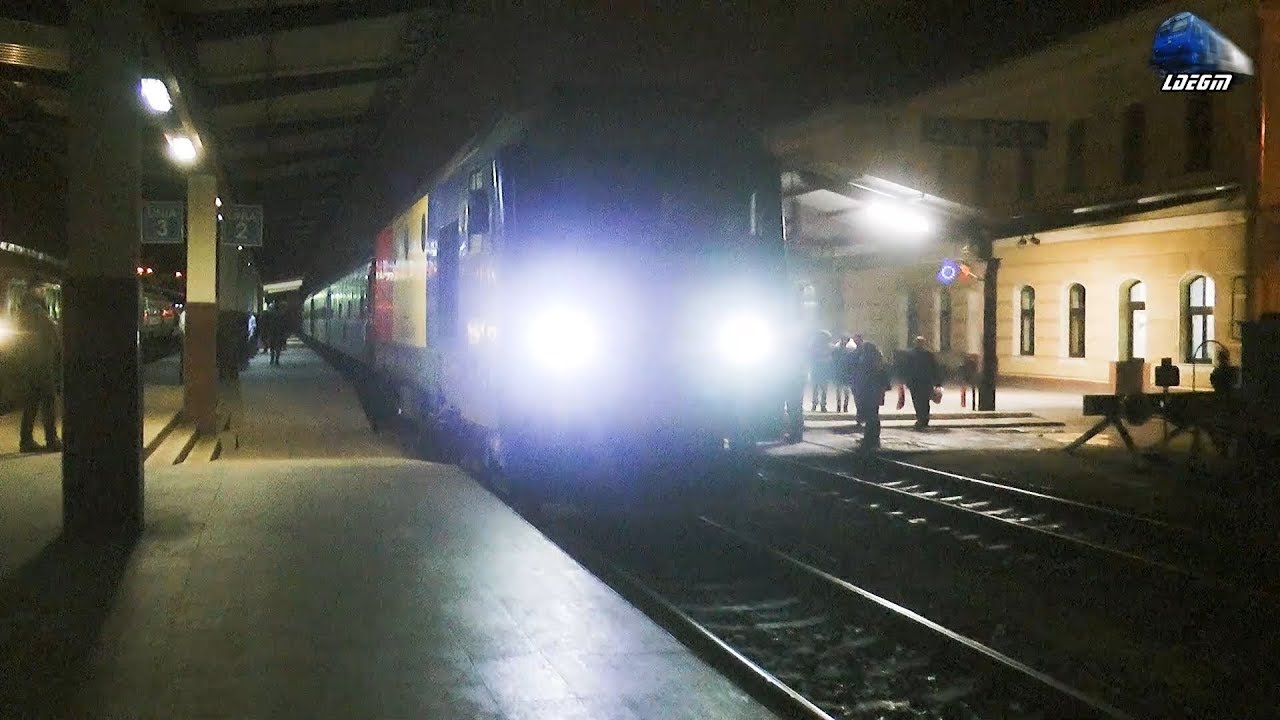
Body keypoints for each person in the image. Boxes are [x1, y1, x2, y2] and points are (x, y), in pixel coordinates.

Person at [14, 294, 61, 453]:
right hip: (41, 362)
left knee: (32, 402)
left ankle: (25, 440)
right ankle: (51, 439)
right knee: (49, 400)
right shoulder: (39, 313)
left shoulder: (22, 314)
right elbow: (53, 332)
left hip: (30, 363)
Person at [852, 340, 890, 452]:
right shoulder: (879, 360)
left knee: (871, 416)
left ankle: (870, 439)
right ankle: (873, 438)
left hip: (869, 392)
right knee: (873, 415)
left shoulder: (867, 360)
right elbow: (885, 378)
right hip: (875, 392)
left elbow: (862, 376)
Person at [901, 335, 941, 429]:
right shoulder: (925, 354)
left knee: (921, 401)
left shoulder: (913, 354)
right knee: (920, 401)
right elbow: (934, 368)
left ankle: (922, 418)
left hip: (921, 381)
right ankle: (922, 418)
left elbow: (934, 368)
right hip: (921, 381)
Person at [809, 330, 832, 412]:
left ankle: (820, 405)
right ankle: (817, 404)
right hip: (818, 370)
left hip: (822, 371)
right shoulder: (815, 346)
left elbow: (830, 359)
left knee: (821, 390)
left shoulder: (829, 347)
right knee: (817, 389)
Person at [832, 335, 854, 414]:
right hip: (841, 373)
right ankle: (841, 406)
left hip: (844, 373)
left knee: (844, 391)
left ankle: (843, 406)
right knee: (841, 391)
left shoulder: (846, 351)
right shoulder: (847, 351)